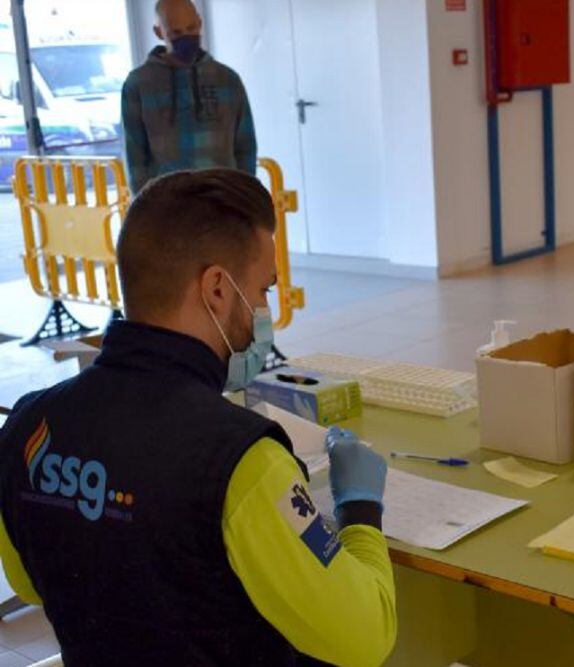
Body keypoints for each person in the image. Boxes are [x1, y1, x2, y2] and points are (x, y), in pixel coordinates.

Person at [0, 170, 396, 665]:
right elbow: (364, 637)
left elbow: (30, 585)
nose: (261, 309)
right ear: (216, 288)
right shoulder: (241, 460)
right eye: (262, 289)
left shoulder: (26, 427)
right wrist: (360, 510)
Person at [122, 0, 257, 193]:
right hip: (169, 203)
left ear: (200, 23)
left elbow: (245, 147)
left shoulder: (227, 80)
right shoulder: (139, 85)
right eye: (175, 32)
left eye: (191, 27)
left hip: (223, 199)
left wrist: (245, 197)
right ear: (159, 32)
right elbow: (135, 155)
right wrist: (146, 209)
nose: (186, 36)